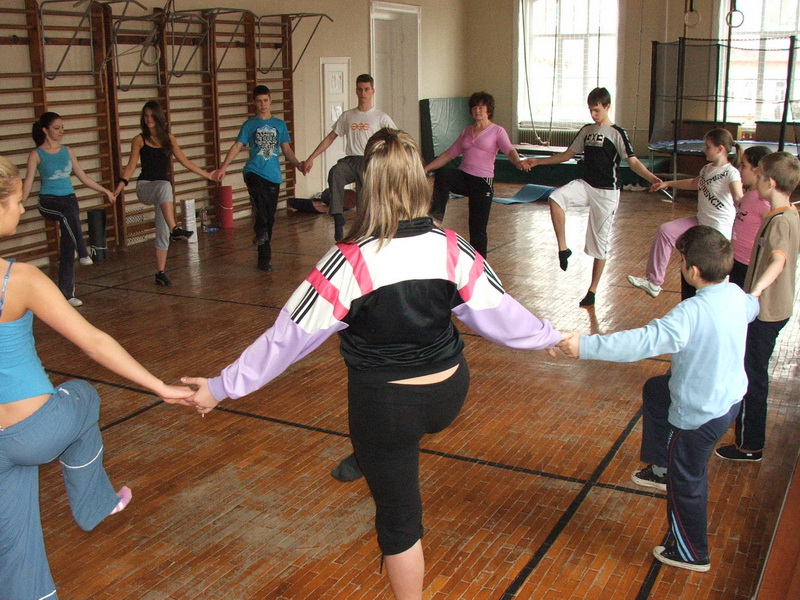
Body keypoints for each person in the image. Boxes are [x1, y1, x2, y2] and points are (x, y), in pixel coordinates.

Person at [181, 129, 565, 600]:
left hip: (388, 407)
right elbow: (498, 312)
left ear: (367, 187)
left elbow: (287, 339)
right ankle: (371, 455)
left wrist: (220, 387)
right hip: (449, 393)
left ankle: (375, 459)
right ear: (418, 182)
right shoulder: (451, 246)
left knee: (399, 521)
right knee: (391, 439)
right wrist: (549, 336)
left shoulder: (348, 262)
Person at [0, 156, 193, 600]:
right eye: (17, 201)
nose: (24, 208)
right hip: (36, 429)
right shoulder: (19, 279)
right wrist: (159, 386)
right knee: (83, 395)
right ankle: (94, 505)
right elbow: (93, 342)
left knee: (14, 540)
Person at [558, 225, 759, 572]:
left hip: (699, 415)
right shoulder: (737, 296)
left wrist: (584, 345)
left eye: (681, 261)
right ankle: (661, 467)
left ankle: (691, 552)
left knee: (688, 481)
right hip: (729, 401)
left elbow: (641, 342)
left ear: (692, 270)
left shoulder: (690, 314)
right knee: (656, 390)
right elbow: (753, 308)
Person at [524, 87, 661, 307]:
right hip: (586, 185)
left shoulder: (617, 133)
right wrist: (538, 161)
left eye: (597, 110)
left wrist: (652, 178)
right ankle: (563, 249)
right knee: (556, 198)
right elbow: (567, 155)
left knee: (600, 243)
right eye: (590, 110)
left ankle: (592, 290)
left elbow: (633, 162)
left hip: (607, 193)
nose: (593, 114)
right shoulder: (587, 131)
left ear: (607, 107)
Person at [716, 151, 800, 462]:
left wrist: (755, 291)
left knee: (752, 374)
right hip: (768, 309)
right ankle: (747, 435)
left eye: (761, 176)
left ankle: (750, 444)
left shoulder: (781, 222)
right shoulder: (784, 214)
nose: (756, 181)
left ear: (771, 182)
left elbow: (778, 260)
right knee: (751, 369)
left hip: (767, 311)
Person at [628, 128, 743, 298]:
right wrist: (668, 184)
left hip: (718, 228)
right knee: (665, 231)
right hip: (700, 222)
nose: (704, 150)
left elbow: (738, 196)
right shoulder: (707, 168)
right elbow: (693, 183)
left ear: (720, 149)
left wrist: (747, 206)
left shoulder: (730, 172)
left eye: (708, 147)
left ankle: (719, 299)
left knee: (715, 268)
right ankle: (654, 282)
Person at [21, 112, 117, 307]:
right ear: (45, 130)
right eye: (56, 128)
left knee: (67, 245)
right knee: (67, 214)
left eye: (62, 128)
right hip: (49, 201)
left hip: (69, 200)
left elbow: (83, 177)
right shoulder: (36, 154)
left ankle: (67, 294)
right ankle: (83, 251)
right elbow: (28, 182)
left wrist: (105, 191)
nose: (61, 131)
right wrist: (19, 202)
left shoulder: (68, 151)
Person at [116, 101, 213, 286]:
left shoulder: (169, 139)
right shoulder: (139, 139)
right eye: (146, 116)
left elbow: (185, 161)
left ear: (158, 117)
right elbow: (130, 166)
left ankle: (160, 272)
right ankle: (175, 229)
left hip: (162, 194)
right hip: (145, 188)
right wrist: (120, 186)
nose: (148, 119)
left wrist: (208, 175)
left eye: (152, 116)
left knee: (162, 229)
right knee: (165, 186)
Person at [424, 91, 529, 259]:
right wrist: (426, 169)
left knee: (477, 229)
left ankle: (481, 265)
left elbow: (509, 150)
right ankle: (435, 218)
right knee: (443, 174)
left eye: (481, 107)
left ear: (488, 110)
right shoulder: (466, 132)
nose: (477, 111)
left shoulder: (497, 131)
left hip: (481, 182)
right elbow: (449, 154)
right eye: (474, 108)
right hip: (464, 177)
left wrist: (517, 161)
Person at [213, 85, 303, 271]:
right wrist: (223, 167)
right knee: (260, 205)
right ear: (254, 102)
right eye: (259, 101)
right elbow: (237, 146)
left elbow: (286, 149)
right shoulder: (250, 125)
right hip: (253, 172)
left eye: (265, 100)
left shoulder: (279, 125)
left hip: (273, 176)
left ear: (270, 101)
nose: (263, 104)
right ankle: (260, 234)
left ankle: (264, 258)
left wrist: (298, 165)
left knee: (269, 217)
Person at [300, 74, 396, 241]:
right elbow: (330, 138)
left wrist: (389, 161)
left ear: (372, 91)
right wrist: (311, 158)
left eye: (366, 89)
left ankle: (366, 230)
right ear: (356, 91)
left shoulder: (381, 117)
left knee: (364, 196)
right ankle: (338, 216)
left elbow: (396, 139)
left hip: (369, 161)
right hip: (351, 160)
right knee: (335, 172)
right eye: (360, 89)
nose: (363, 93)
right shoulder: (347, 115)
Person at [729, 145, 773, 288]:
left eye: (744, 166)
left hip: (749, 265)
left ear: (757, 171)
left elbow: (772, 232)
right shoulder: (749, 194)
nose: (740, 170)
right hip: (737, 260)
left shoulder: (763, 202)